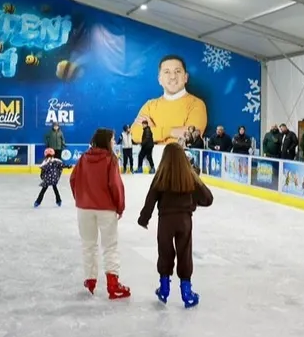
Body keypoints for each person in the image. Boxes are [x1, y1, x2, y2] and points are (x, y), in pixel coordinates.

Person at [137, 143, 213, 307]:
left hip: (165, 221)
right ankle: (186, 293)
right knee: (185, 253)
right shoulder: (189, 176)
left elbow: (151, 199)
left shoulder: (161, 176)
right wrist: (192, 202)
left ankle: (164, 289)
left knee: (165, 252)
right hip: (184, 221)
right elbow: (208, 199)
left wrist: (144, 219)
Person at [70, 128, 129, 299]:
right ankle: (113, 284)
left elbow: (73, 179)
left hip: (84, 209)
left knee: (88, 244)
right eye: (112, 139)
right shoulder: (110, 159)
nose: (114, 142)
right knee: (110, 246)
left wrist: (80, 199)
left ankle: (90, 280)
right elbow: (115, 185)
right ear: (106, 141)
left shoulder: (83, 158)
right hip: (106, 209)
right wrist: (120, 207)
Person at [129, 54, 208, 145]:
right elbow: (135, 134)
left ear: (185, 77)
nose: (173, 77)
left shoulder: (196, 104)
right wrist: (171, 132)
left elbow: (190, 138)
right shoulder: (149, 106)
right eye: (167, 72)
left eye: (177, 71)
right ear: (160, 79)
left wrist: (152, 131)